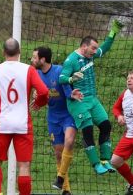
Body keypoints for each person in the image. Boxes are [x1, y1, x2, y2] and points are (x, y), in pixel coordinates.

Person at [0, 38, 49, 195]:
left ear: (3, 53)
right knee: (23, 165)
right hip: (23, 124)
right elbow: (44, 92)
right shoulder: (29, 70)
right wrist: (38, 103)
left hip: (2, 122)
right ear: (19, 52)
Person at [58, 19, 123, 175]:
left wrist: (113, 32)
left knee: (106, 125)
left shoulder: (91, 55)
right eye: (93, 48)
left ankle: (105, 160)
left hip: (92, 100)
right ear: (84, 46)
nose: (95, 51)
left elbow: (105, 48)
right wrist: (71, 79)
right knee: (87, 130)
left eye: (95, 49)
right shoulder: (71, 60)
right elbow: (61, 78)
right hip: (78, 101)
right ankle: (96, 164)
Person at [31, 46, 83, 195]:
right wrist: (37, 100)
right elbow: (40, 94)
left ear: (42, 59)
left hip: (68, 114)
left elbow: (68, 89)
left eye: (34, 57)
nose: (32, 60)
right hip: (53, 117)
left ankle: (59, 178)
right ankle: (66, 190)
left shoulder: (60, 71)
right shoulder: (35, 74)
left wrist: (72, 93)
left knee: (70, 141)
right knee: (58, 153)